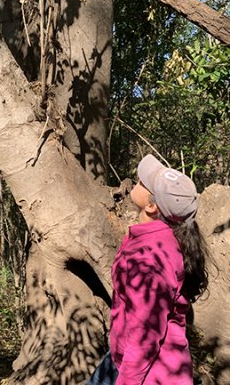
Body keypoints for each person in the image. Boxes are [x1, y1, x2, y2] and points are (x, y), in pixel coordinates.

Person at [87, 154, 209, 385]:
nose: (138, 180)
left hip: (149, 371)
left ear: (152, 206)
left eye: (144, 183)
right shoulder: (162, 238)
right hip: (125, 357)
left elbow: (146, 335)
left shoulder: (149, 259)